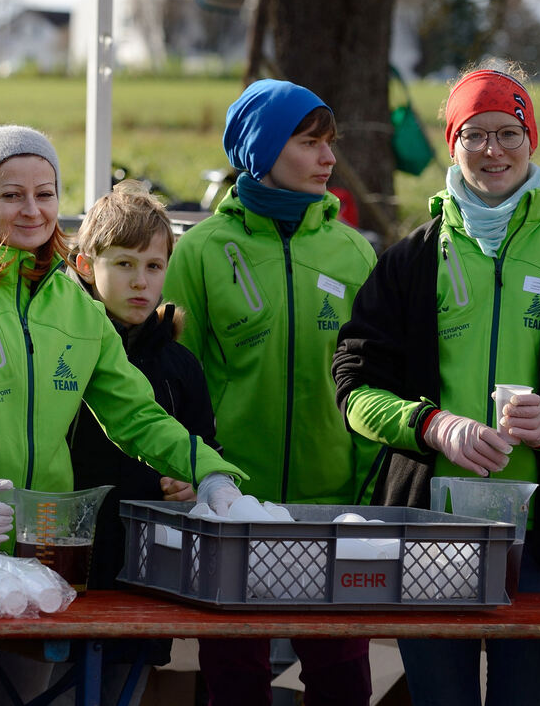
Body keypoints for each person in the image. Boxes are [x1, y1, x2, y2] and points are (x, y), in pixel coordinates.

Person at [0, 125, 245, 706]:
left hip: (38, 554)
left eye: (45, 194)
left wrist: (213, 472)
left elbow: (137, 417)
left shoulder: (79, 310)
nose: (32, 209)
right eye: (11, 194)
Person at [332, 62, 540, 706]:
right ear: (453, 144)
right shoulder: (410, 261)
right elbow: (354, 389)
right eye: (474, 134)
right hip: (428, 533)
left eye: (508, 132)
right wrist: (434, 426)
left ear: (531, 139)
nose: (493, 151)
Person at [162, 79, 378, 706]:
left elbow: (371, 382)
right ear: (260, 150)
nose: (328, 158)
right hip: (234, 508)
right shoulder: (199, 252)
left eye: (328, 144)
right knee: (235, 682)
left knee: (342, 680)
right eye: (310, 143)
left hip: (335, 507)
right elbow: (177, 381)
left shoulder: (352, 253)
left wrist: (364, 486)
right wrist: (195, 476)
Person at [64, 179, 218, 705]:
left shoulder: (181, 367)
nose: (140, 281)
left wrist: (191, 490)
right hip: (60, 572)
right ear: (86, 266)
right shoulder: (57, 350)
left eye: (153, 267)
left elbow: (204, 454)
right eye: (124, 264)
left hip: (143, 575)